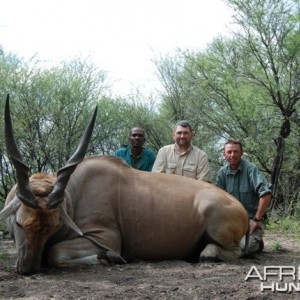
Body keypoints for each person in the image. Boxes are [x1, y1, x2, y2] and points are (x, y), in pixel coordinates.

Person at [216, 138, 272, 254]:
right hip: (231, 220)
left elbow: (266, 194)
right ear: (224, 154)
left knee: (247, 249)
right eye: (229, 152)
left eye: (236, 152)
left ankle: (256, 239)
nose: (232, 155)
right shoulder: (222, 173)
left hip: (250, 219)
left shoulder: (251, 169)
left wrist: (256, 220)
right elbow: (217, 198)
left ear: (241, 153)